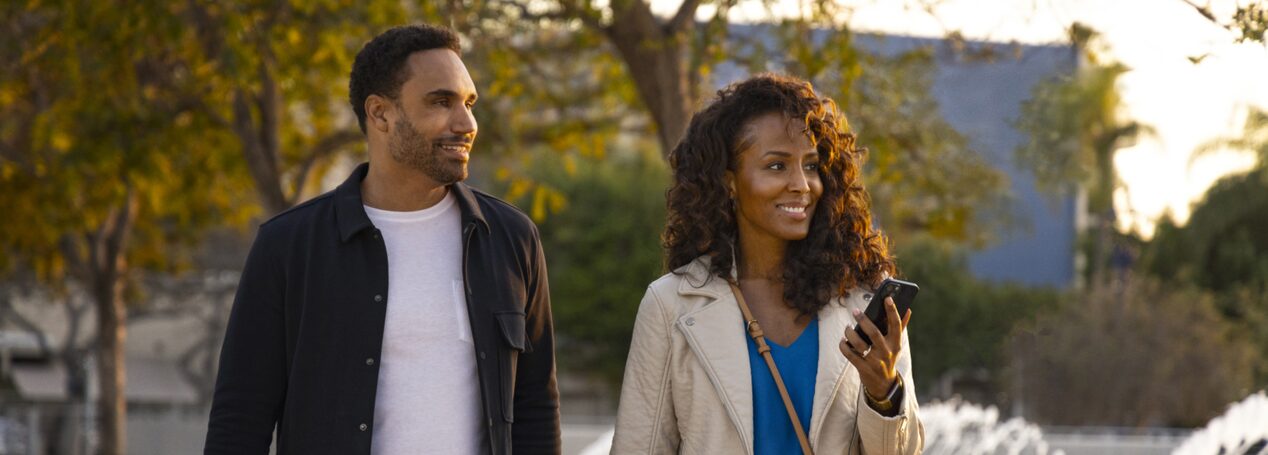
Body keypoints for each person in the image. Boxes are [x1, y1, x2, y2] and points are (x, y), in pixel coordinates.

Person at [204, 24, 560, 455]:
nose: (466, 123)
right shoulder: (289, 246)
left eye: (469, 103)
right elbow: (240, 420)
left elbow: (536, 408)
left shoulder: (510, 239)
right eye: (441, 102)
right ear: (380, 114)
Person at [611, 74, 924, 454]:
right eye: (777, 166)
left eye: (811, 165)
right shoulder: (671, 304)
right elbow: (639, 446)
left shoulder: (863, 298)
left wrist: (884, 393)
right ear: (728, 182)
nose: (802, 184)